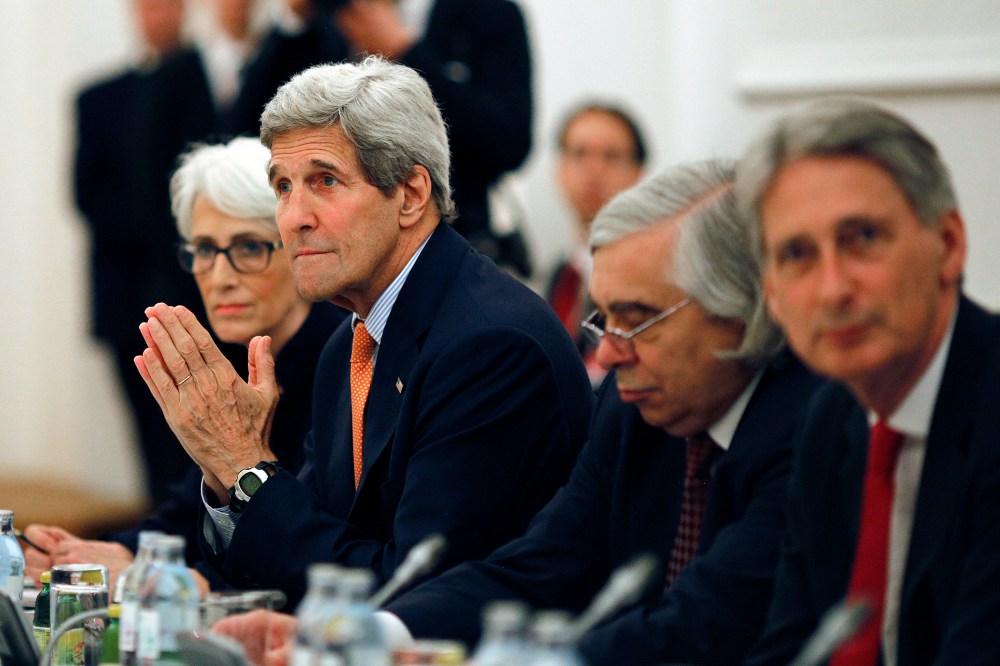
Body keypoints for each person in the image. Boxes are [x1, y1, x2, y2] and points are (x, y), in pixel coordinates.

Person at [214, 159, 825, 665]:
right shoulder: (634, 406)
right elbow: (540, 567)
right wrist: (372, 635)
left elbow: (703, 626)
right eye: (603, 319)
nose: (609, 353)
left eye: (638, 320)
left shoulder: (812, 428)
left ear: (741, 309)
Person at [134, 57, 593, 607]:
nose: (293, 216)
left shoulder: (489, 345)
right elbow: (310, 542)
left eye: (324, 181)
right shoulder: (350, 343)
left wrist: (246, 466)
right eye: (282, 186)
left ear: (411, 194)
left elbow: (407, 590)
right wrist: (225, 469)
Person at [738, 99, 1000, 665]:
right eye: (798, 254)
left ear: (948, 245)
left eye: (861, 238)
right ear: (774, 297)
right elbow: (791, 647)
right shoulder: (831, 418)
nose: (833, 289)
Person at [25, 138, 346, 594]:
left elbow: (311, 543)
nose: (220, 276)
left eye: (249, 248)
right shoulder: (239, 352)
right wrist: (122, 553)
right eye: (204, 249)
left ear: (299, 243)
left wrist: (184, 580)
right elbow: (190, 506)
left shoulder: (340, 357)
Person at [230, 0, 535, 276]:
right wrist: (293, 20)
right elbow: (246, 130)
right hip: (336, 256)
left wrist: (407, 52)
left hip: (454, 242)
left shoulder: (488, 13)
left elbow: (510, 141)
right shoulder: (329, 19)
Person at [74, 0, 201, 505]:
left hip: (195, 290)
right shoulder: (99, 96)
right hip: (127, 292)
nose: (158, 16)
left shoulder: (205, 85)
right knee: (149, 440)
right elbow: (88, 195)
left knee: (195, 437)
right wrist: (159, 232)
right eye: (148, 6)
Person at [547, 102, 647, 386]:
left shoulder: (649, 281)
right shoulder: (562, 273)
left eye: (611, 156)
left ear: (640, 173)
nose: (594, 170)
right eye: (579, 154)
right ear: (560, 170)